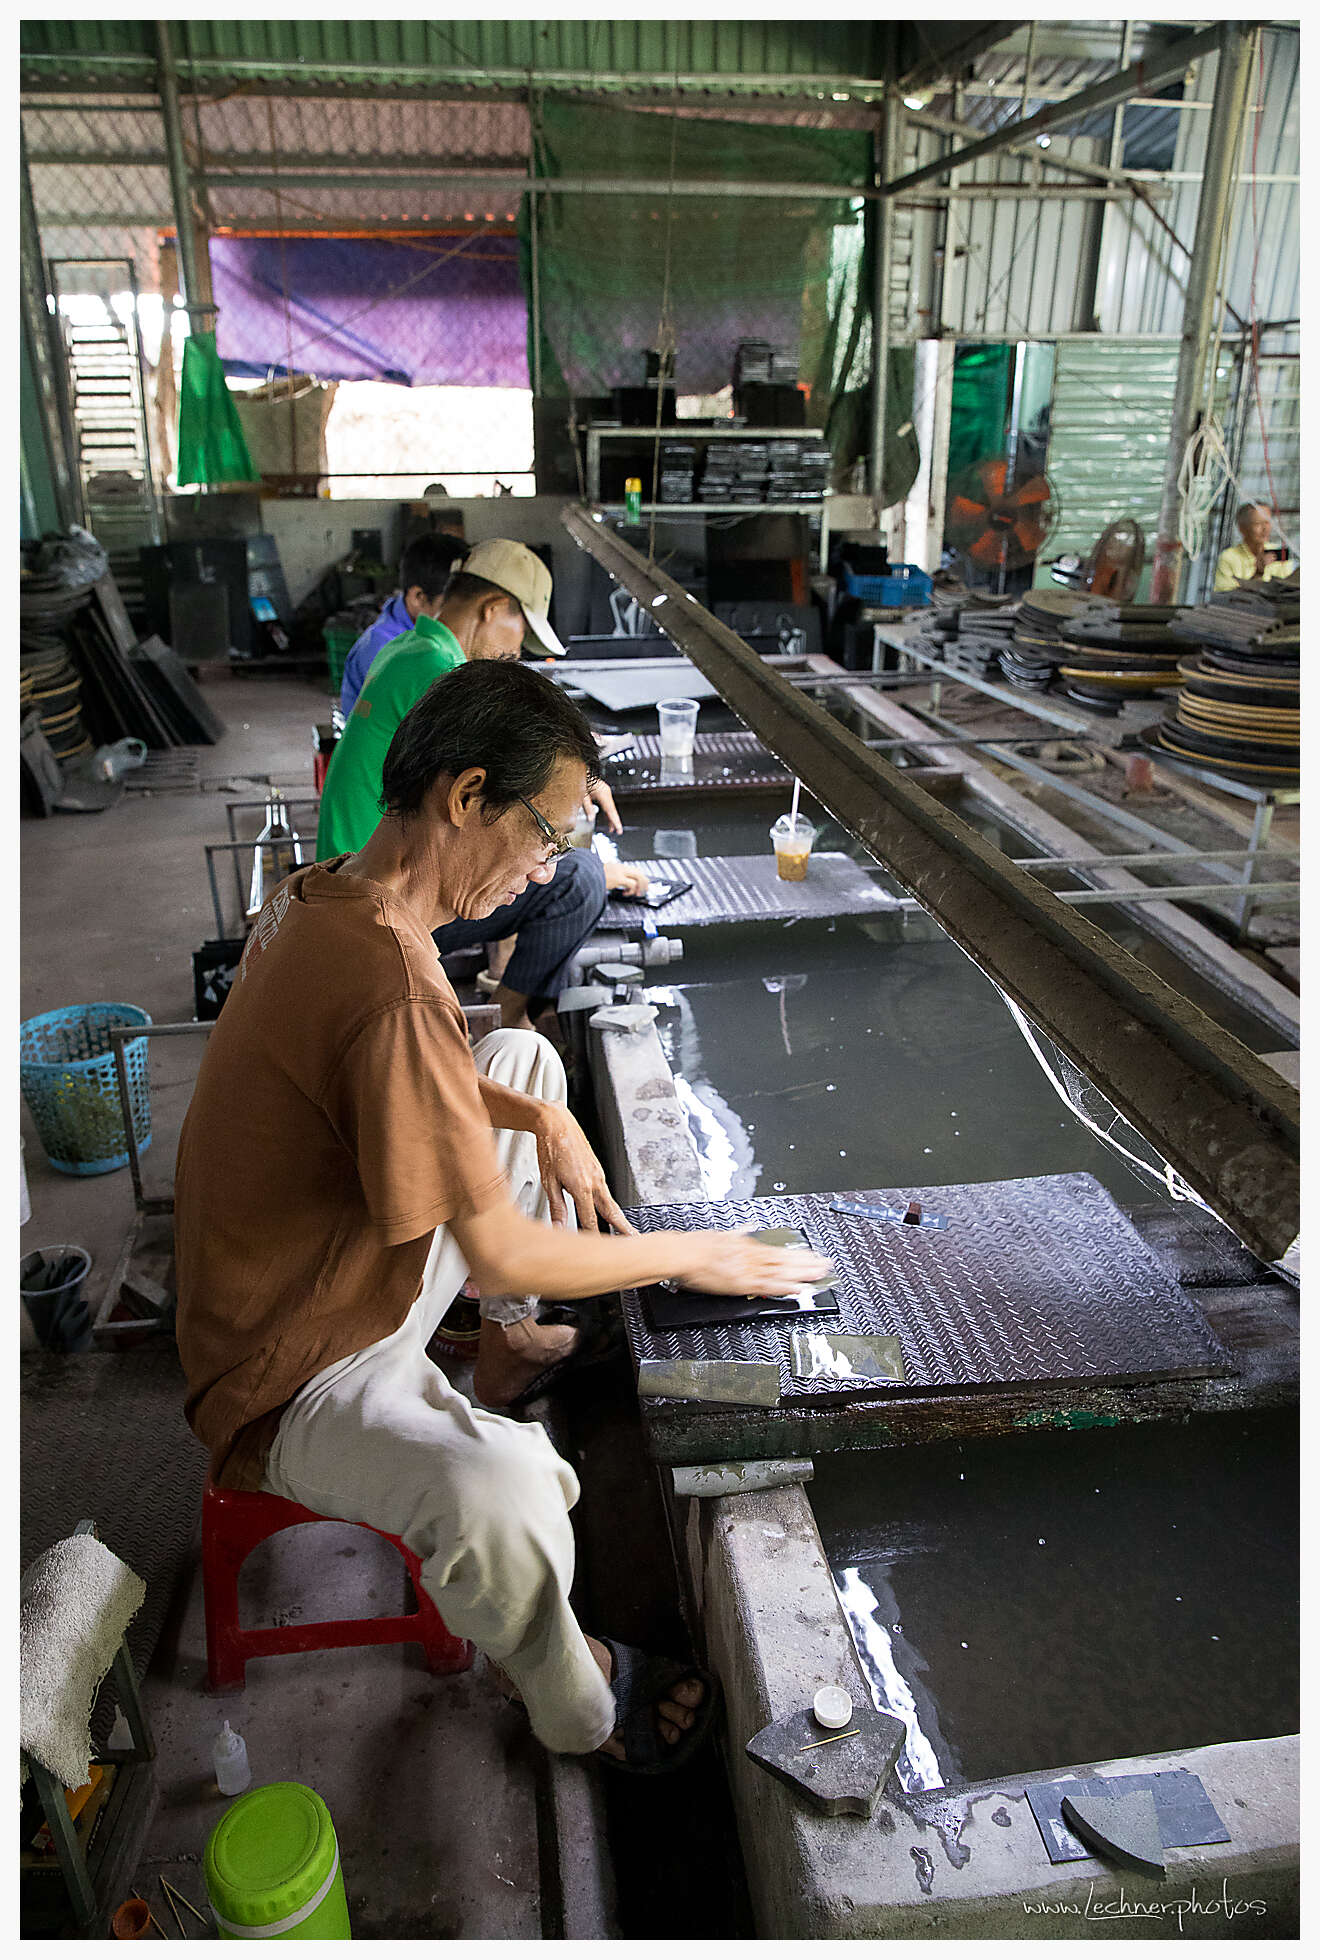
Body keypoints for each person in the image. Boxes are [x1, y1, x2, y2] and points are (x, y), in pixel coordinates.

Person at [175, 660, 828, 1768]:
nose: (547, 867)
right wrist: (695, 1251)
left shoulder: (327, 893)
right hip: (286, 1372)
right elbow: (503, 1239)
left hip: (327, 1273)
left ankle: (502, 1348)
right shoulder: (389, 975)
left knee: (523, 1056)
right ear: (467, 796)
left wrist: (537, 1110)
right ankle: (583, 1709)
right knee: (507, 1488)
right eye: (547, 834)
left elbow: (391, 1073)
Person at [317, 539, 644, 1029]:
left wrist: (578, 774)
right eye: (517, 642)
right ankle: (513, 1019)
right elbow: (498, 785)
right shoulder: (440, 672)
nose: (514, 656)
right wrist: (589, 860)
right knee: (579, 880)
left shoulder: (405, 650)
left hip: (353, 868)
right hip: (389, 895)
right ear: (493, 609)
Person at [339, 532, 467, 717]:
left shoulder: (424, 636)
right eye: (455, 605)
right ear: (418, 598)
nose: (464, 616)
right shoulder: (384, 649)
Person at [1213, 503, 1296, 592]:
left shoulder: (1281, 554)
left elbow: (1289, 591)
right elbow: (1225, 597)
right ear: (1242, 528)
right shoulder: (1228, 558)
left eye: (1267, 522)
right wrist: (1258, 574)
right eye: (1257, 523)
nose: (1265, 529)